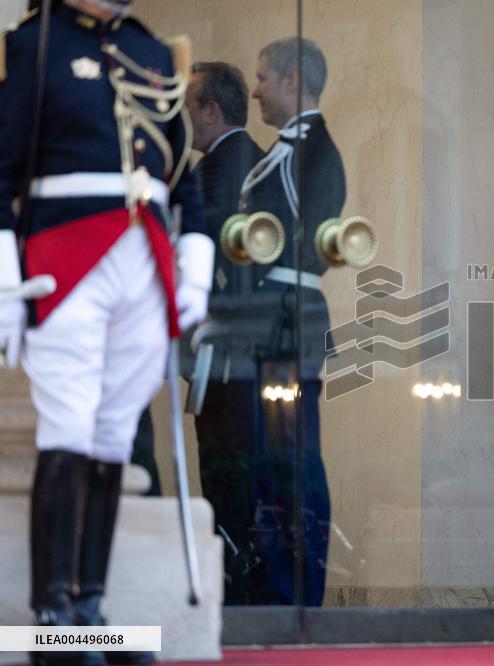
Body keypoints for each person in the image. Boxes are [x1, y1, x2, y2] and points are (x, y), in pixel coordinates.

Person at [0, 0, 212, 664]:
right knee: (67, 421)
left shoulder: (152, 51)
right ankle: (52, 619)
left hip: (145, 259)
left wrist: (196, 274)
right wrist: (6, 280)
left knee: (115, 429)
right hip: (64, 253)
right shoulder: (33, 44)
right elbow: (1, 172)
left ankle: (90, 610)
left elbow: (182, 178)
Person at [237, 36, 346, 606]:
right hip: (268, 322)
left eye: (262, 77)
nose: (254, 89)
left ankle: (295, 596)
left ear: (292, 82)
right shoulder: (289, 148)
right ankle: (276, 588)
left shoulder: (312, 151)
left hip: (286, 320)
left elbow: (292, 248)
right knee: (272, 462)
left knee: (293, 462)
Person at [183, 60, 267, 605]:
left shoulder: (219, 171)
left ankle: (236, 600)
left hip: (231, 350)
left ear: (210, 111)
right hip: (255, 351)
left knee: (228, 476)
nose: (180, 118)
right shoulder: (257, 161)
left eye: (185, 106)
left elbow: (211, 263)